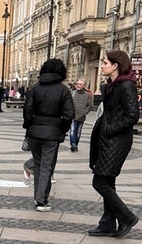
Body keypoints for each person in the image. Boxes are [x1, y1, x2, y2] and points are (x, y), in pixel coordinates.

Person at [88, 50, 140, 238]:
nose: (102, 65)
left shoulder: (126, 85)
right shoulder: (112, 85)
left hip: (117, 140)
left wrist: (110, 129)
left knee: (99, 181)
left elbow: (132, 115)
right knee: (108, 181)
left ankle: (126, 217)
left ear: (115, 65)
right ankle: (107, 224)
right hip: (108, 139)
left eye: (105, 63)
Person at [23, 59, 74, 212]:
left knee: (38, 165)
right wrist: (61, 129)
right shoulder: (63, 90)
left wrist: (30, 126)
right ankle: (41, 200)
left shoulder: (34, 89)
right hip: (52, 133)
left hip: (35, 133)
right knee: (47, 167)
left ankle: (38, 197)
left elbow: (27, 111)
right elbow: (69, 114)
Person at [69, 78, 93, 152]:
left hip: (81, 116)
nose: (78, 85)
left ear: (84, 85)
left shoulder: (87, 95)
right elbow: (68, 103)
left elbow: (89, 105)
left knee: (78, 132)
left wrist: (85, 112)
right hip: (73, 115)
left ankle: (76, 144)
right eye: (77, 84)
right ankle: (73, 144)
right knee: (72, 130)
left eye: (80, 84)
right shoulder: (72, 93)